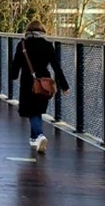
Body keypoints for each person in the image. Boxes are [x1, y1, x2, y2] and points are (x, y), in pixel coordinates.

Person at [9, 20, 69, 153]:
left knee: (32, 112)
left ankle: (39, 135)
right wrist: (64, 85)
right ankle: (33, 138)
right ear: (42, 31)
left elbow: (15, 64)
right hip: (44, 83)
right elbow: (56, 67)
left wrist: (13, 76)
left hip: (27, 82)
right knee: (36, 111)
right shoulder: (48, 45)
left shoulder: (23, 45)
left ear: (28, 31)